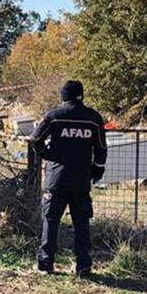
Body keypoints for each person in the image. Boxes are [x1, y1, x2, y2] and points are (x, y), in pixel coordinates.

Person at [29, 80, 107, 277]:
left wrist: (46, 154)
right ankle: (83, 265)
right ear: (81, 95)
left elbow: (35, 140)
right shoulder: (93, 118)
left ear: (63, 96)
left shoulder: (55, 116)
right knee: (81, 223)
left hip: (56, 178)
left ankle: (46, 263)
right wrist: (97, 169)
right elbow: (101, 149)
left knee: (50, 220)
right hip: (81, 179)